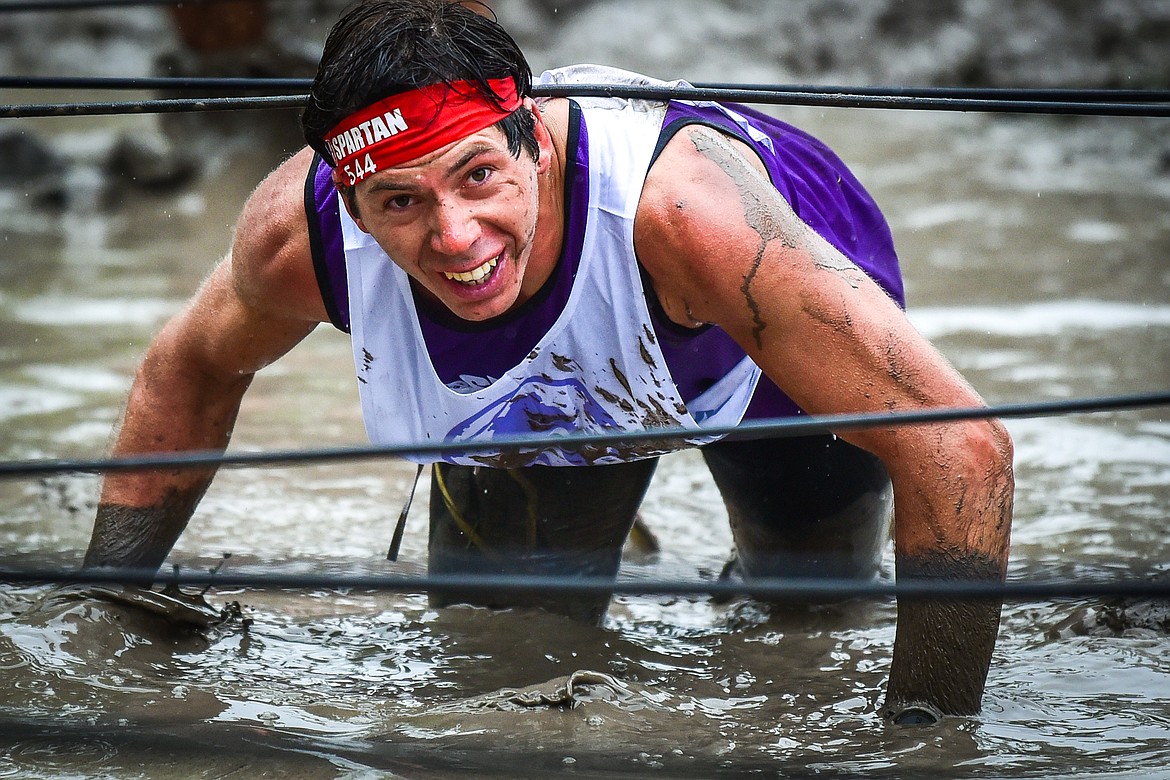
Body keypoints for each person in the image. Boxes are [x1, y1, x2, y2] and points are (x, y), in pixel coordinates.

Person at [83, 0, 1014, 724]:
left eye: (478, 175)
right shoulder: (298, 239)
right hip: (539, 411)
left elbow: (962, 450)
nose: (455, 239)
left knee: (806, 621)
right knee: (496, 660)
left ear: (537, 137)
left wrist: (923, 739)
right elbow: (187, 371)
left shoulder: (686, 216)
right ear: (352, 205)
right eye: (399, 202)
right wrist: (106, 610)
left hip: (757, 350)